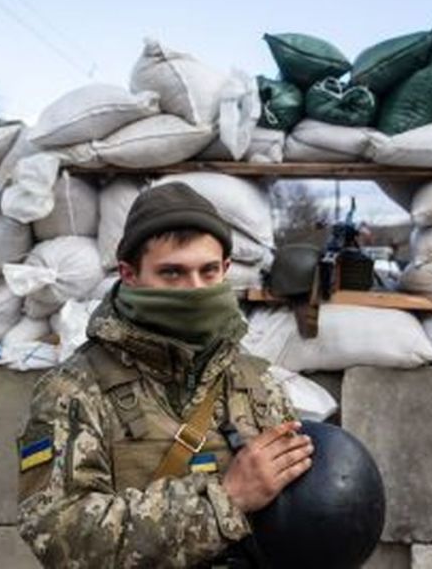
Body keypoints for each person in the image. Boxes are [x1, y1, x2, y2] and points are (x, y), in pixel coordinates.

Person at [17, 182, 314, 568]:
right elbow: (59, 536)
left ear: (226, 270)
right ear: (129, 274)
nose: (195, 290)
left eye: (208, 271)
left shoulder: (256, 384)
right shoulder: (74, 389)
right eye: (172, 273)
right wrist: (224, 501)